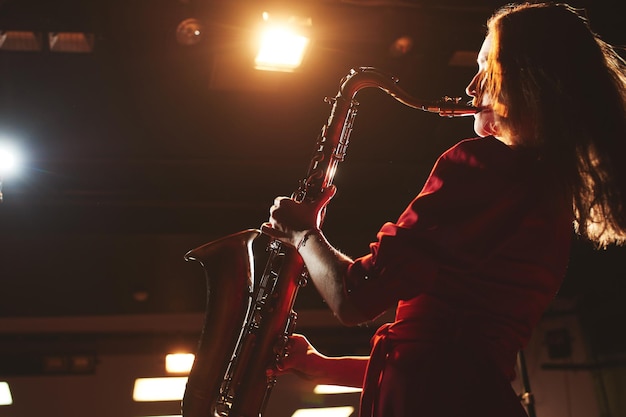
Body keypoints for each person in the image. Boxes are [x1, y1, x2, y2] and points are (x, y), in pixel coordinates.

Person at [262, 2, 626, 416]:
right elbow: (446, 365)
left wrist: (302, 234)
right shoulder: (552, 194)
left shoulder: (480, 166)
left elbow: (355, 300)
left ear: (529, 79)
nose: (471, 87)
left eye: (487, 66)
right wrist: (318, 366)